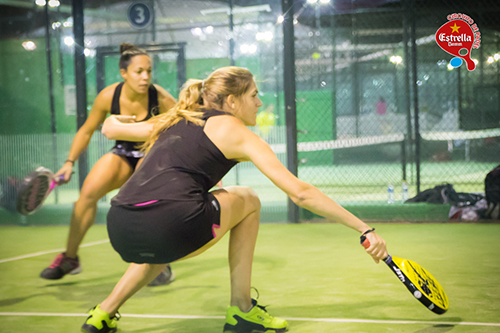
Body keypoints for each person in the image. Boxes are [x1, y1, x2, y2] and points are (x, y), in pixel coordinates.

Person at [81, 66, 388, 333]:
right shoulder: (236, 132)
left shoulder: (177, 118)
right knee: (249, 200)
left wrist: (114, 123)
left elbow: (110, 127)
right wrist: (364, 229)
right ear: (231, 101)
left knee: (164, 222)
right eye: (253, 95)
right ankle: (241, 309)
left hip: (120, 224)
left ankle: (103, 313)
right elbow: (300, 193)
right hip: (171, 224)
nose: (259, 102)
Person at [40, 43, 177, 287]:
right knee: (86, 195)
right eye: (139, 71)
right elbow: (86, 130)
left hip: (151, 154)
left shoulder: (161, 97)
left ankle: (159, 263)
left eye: (149, 70)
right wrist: (69, 162)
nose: (145, 77)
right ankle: (70, 258)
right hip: (123, 153)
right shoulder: (108, 96)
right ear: (124, 73)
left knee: (143, 202)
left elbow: (186, 125)